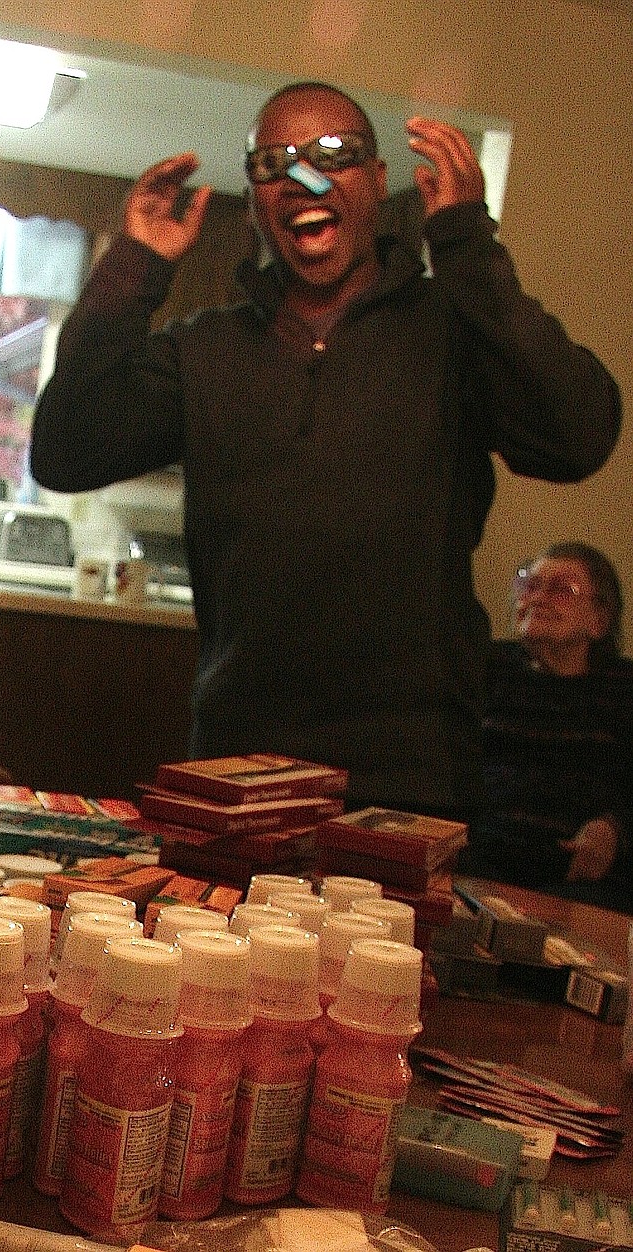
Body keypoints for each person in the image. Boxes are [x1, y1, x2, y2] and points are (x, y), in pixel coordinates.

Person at [31, 81, 621, 815]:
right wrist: (133, 269)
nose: (303, 177)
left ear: (377, 182)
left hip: (413, 769)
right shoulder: (203, 350)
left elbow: (578, 436)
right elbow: (64, 451)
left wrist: (467, 245)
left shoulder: (454, 330)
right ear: (255, 204)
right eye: (274, 164)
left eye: (334, 154)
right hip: (235, 757)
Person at [461, 543, 633, 910]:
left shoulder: (622, 691)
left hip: (577, 878)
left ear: (599, 620)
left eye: (561, 590)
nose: (538, 599)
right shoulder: (487, 668)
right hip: (478, 861)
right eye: (528, 585)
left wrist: (616, 829)